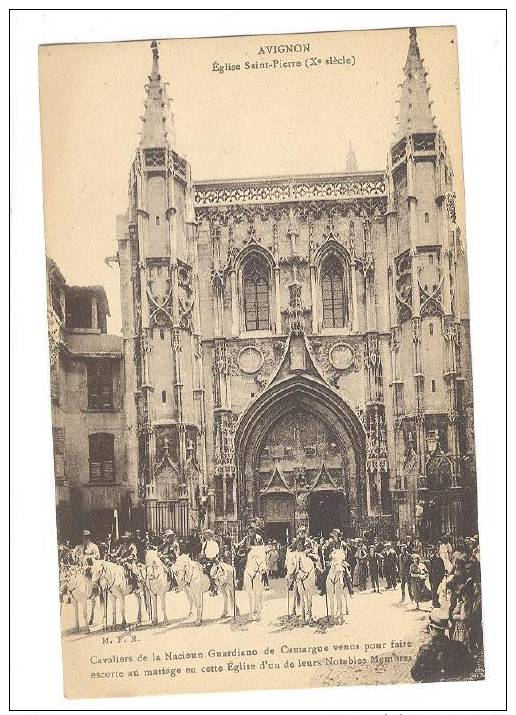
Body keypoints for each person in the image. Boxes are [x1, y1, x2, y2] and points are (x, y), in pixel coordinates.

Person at [411, 608, 475, 682]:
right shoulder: (459, 646)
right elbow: (471, 667)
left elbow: (416, 676)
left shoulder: (425, 650)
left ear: (431, 628)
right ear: (445, 628)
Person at [200, 529, 220, 595]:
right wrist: (202, 555)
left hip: (212, 560)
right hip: (205, 560)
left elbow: (216, 553)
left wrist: (213, 558)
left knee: (212, 573)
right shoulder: (204, 544)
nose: (206, 536)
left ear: (210, 536)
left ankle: (214, 588)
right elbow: (202, 552)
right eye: (205, 535)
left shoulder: (214, 544)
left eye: (207, 535)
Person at [427, 543, 446, 608]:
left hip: (437, 578)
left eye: (431, 550)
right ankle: (435, 603)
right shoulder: (431, 558)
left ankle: (435, 604)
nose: (430, 552)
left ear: (435, 551)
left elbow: (442, 569)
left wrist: (440, 578)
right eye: (429, 550)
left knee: (435, 591)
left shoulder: (438, 559)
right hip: (432, 577)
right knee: (433, 590)